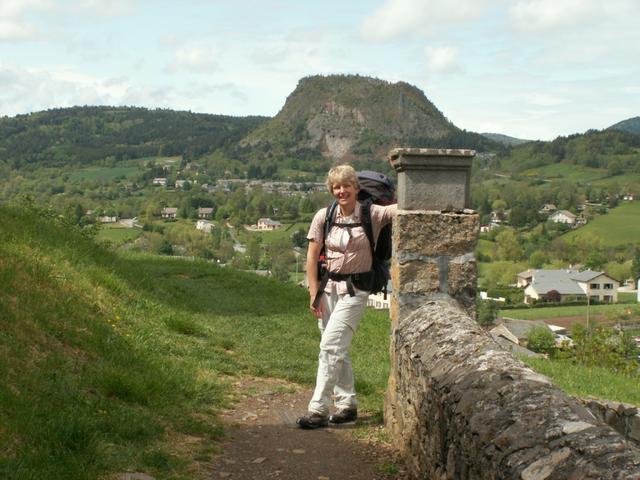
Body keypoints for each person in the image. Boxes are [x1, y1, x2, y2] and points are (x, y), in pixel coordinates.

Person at [296, 164, 396, 429]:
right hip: (328, 289)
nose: (341, 191)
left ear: (356, 187)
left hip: (356, 291)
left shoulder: (372, 214)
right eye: (336, 187)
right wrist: (314, 292)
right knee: (336, 348)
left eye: (346, 186)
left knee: (330, 346)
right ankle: (347, 405)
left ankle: (317, 409)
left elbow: (400, 210)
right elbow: (311, 256)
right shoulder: (324, 215)